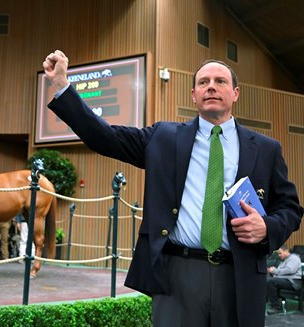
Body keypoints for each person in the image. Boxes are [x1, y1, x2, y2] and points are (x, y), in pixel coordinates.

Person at [43, 50, 303, 327]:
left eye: (220, 81)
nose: (211, 86)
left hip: (240, 275)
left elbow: (290, 208)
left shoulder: (266, 148)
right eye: (203, 82)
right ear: (193, 95)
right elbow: (104, 136)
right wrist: (62, 86)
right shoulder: (163, 138)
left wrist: (266, 227)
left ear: (235, 93)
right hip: (178, 273)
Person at [266, 244, 302, 314]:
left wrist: (274, 271)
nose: (279, 255)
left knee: (270, 281)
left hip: (293, 282)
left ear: (286, 251)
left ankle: (276, 307)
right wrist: (273, 271)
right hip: (286, 280)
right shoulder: (284, 260)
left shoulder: (293, 258)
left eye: (280, 253)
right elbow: (280, 271)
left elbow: (290, 270)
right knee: (267, 279)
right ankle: (266, 302)